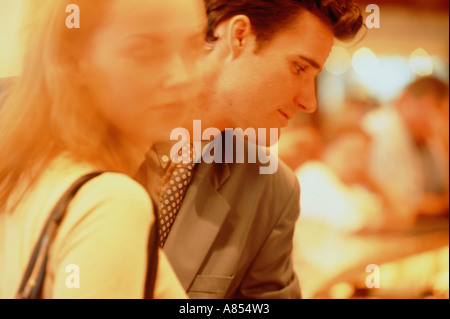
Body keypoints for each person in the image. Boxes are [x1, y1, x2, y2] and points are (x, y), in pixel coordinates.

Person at [142, 0, 364, 299]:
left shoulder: (271, 191)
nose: (309, 102)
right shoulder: (92, 135)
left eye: (315, 77)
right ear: (239, 37)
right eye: (299, 68)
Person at [0, 0, 207, 299]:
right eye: (144, 52)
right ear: (74, 59)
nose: (180, 76)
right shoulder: (111, 201)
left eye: (194, 46)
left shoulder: (25, 172)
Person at [363, 76, 449, 220]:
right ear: (405, 100)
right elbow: (406, 203)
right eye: (431, 107)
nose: (435, 117)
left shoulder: (425, 138)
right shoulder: (387, 127)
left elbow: (440, 186)